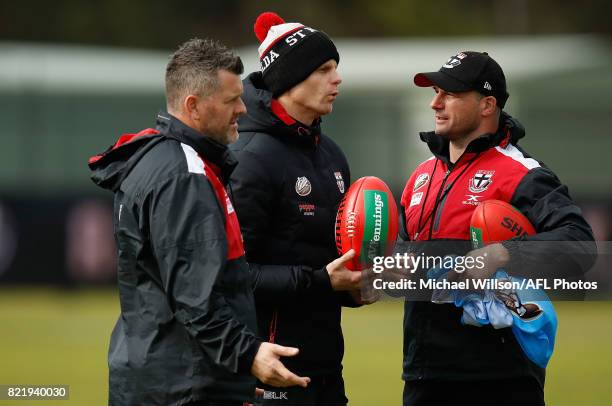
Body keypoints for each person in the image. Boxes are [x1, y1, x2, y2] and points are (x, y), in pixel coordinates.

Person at [88, 38, 310, 406]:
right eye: (230, 100)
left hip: (170, 378)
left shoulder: (159, 159)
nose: (242, 108)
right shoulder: (185, 175)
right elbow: (196, 298)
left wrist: (228, 381)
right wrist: (248, 355)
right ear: (193, 106)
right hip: (181, 389)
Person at [399, 51, 596, 406]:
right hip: (424, 376)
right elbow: (401, 266)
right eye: (435, 92)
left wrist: (502, 253)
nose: (435, 103)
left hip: (499, 379)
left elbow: (579, 243)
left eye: (450, 93)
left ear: (488, 104)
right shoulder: (420, 177)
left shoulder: (523, 173)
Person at [228, 12, 363, 406]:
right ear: (289, 78)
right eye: (323, 69)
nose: (336, 79)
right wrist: (322, 281)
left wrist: (353, 288)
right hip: (268, 371)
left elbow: (327, 261)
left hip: (326, 370)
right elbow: (233, 276)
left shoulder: (332, 155)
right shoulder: (250, 159)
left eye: (336, 68)